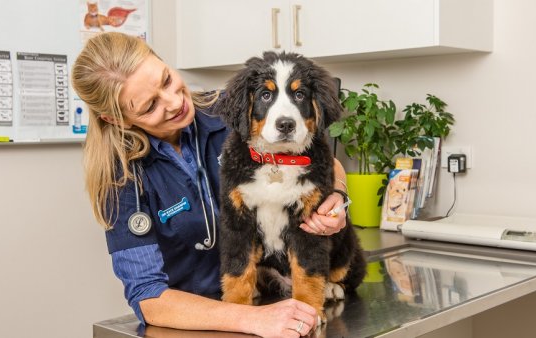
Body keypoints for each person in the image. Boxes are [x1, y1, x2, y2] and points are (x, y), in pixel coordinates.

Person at [71, 32, 351, 338]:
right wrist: (248, 318)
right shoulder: (121, 176)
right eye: (150, 105)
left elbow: (320, 162)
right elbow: (148, 296)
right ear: (115, 118)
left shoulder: (229, 107)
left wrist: (336, 195)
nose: (175, 101)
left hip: (271, 300)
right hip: (195, 321)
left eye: (166, 80)